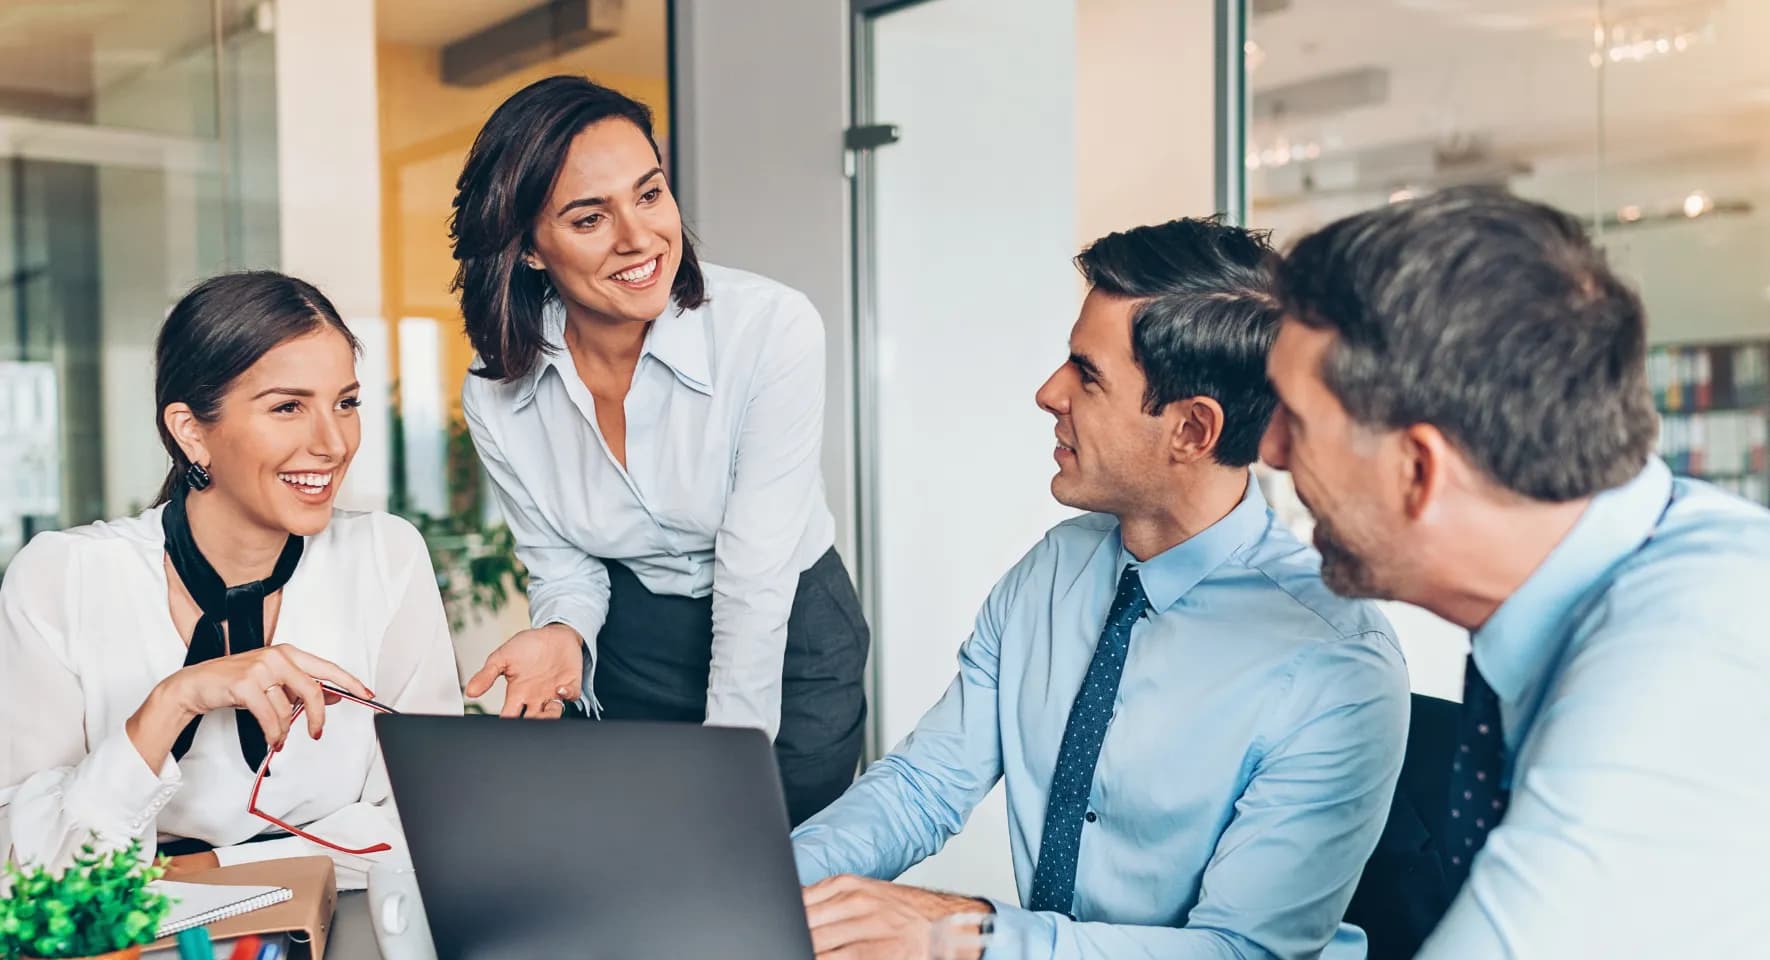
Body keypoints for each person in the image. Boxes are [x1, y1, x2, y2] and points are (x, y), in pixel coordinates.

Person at [792, 218, 1410, 959]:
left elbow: (1242, 953)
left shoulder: (1334, 663)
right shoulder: (1054, 571)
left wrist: (968, 938)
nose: (1048, 393)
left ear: (1191, 431)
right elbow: (922, 786)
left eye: (1087, 375)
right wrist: (763, 886)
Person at [1261, 186, 1770, 957]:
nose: (1268, 451)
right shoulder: (1657, 572)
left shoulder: (1686, 662)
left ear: (1418, 469)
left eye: (1294, 421)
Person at [451, 76, 868, 824]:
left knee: (769, 870)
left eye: (650, 195)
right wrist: (562, 632)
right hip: (636, 634)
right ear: (530, 251)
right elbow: (564, 566)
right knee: (634, 861)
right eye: (589, 218)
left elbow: (755, 570)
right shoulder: (497, 394)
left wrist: (727, 767)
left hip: (789, 628)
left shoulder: (770, 330)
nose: (639, 237)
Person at [0, 272, 464, 890]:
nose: (332, 443)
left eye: (346, 403)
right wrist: (173, 702)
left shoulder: (386, 555)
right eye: (288, 407)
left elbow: (428, 825)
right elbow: (27, 871)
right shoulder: (63, 578)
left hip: (346, 926)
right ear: (192, 430)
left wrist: (211, 869)